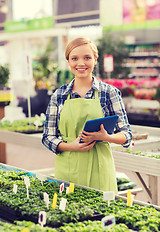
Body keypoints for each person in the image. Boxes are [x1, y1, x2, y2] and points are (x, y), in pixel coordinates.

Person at [42, 37, 132, 193]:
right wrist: (71, 146)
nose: (81, 63)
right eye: (74, 58)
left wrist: (106, 137)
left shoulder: (109, 93)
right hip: (68, 168)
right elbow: (48, 137)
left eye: (87, 57)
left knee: (103, 214)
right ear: (68, 61)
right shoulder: (59, 95)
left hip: (100, 168)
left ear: (95, 60)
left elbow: (127, 135)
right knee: (68, 214)